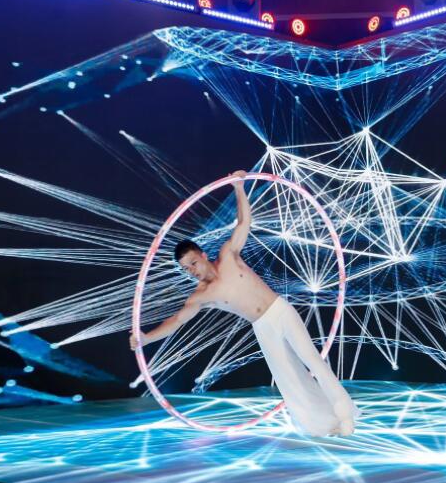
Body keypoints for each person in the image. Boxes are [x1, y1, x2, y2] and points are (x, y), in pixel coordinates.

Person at [130, 170, 360, 436]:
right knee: (290, 379)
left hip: (279, 311)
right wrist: (146, 338)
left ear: (202, 254)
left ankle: (345, 415)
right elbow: (177, 321)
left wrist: (239, 187)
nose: (191, 270)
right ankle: (326, 425)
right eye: (185, 269)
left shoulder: (228, 255)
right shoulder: (201, 295)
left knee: (313, 360)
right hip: (262, 327)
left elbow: (244, 223)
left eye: (192, 263)